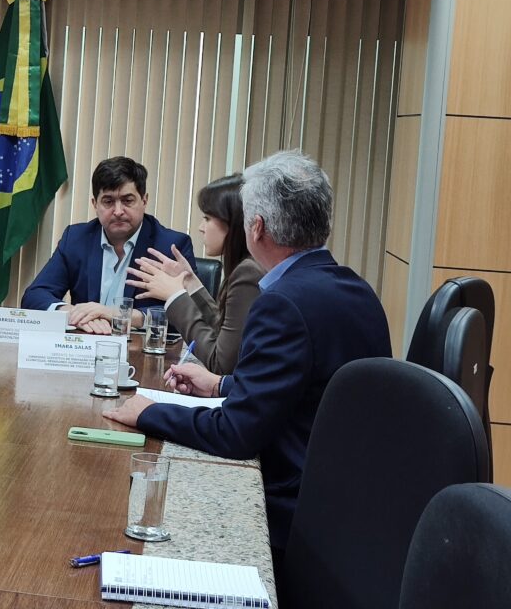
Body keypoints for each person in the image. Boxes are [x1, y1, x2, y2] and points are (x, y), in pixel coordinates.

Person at [103, 150, 390, 569]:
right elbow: (310, 391)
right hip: (352, 508)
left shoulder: (283, 304)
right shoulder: (357, 290)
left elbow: (236, 433)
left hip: (294, 513)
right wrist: (221, 385)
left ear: (255, 228)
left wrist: (150, 413)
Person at [21, 156, 196, 334]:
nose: (118, 211)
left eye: (128, 201)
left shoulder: (171, 246)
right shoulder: (76, 239)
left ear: (144, 201)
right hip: (85, 347)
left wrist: (116, 315)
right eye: (108, 201)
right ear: (95, 204)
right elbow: (34, 297)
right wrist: (76, 314)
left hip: (142, 352)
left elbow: (189, 314)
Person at [125, 174, 264, 374]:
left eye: (207, 218)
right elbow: (222, 331)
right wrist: (190, 283)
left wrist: (175, 297)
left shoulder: (248, 273)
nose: (201, 227)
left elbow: (220, 363)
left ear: (232, 223)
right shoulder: (246, 266)